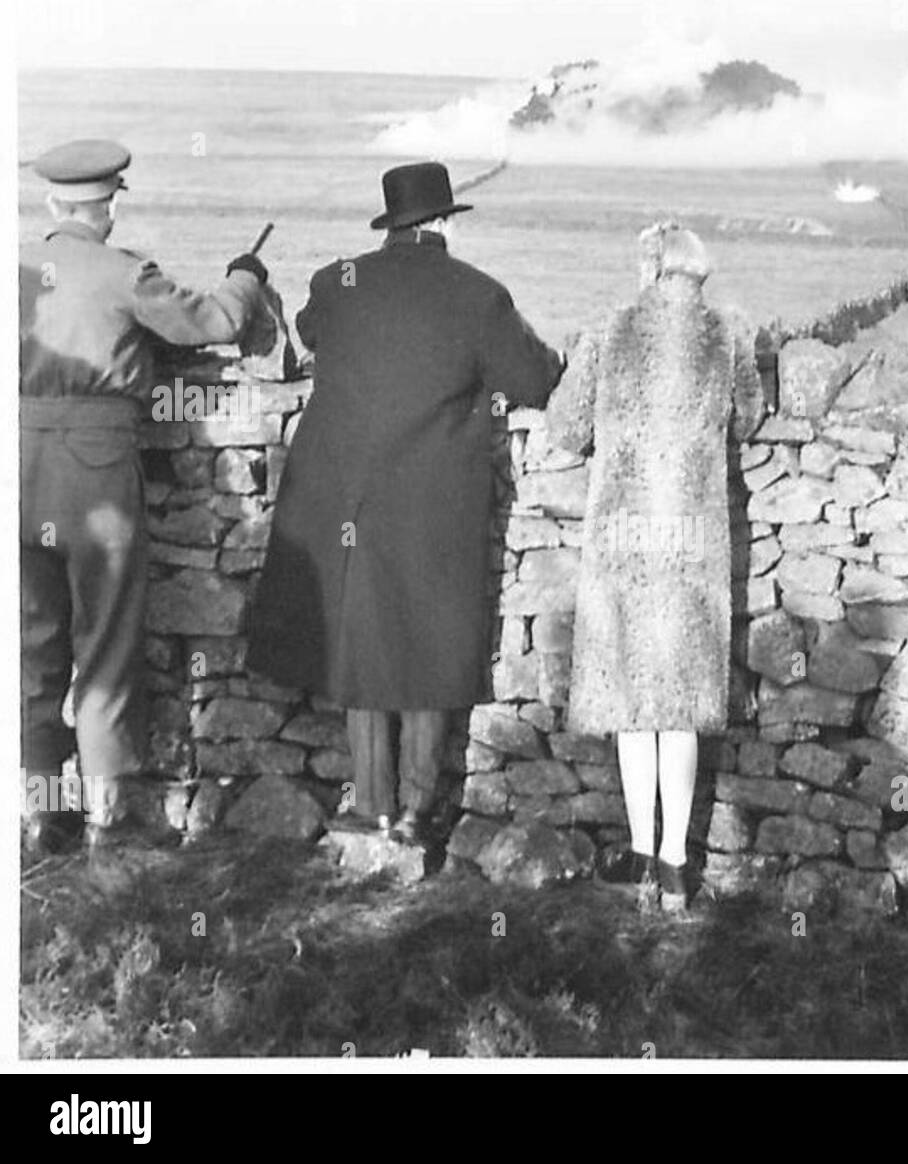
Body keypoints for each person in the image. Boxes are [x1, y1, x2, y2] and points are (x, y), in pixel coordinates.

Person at [247, 162, 565, 844]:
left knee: (363, 642)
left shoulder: (340, 282)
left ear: (393, 224)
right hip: (433, 499)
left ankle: (372, 804)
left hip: (344, 492)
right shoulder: (479, 296)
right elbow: (533, 380)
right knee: (427, 644)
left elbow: (309, 331)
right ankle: (419, 813)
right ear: (445, 223)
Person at [20, 139, 267, 855]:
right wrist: (244, 278)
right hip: (95, 472)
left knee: (35, 651)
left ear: (52, 205)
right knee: (104, 645)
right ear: (111, 206)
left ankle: (40, 815)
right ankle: (104, 820)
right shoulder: (125, 273)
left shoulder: (20, 271)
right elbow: (215, 323)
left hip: (22, 465)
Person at [547, 222, 766, 913]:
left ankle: (641, 853)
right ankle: (674, 868)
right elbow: (752, 418)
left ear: (647, 269)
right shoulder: (726, 334)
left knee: (631, 701)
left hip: (623, 539)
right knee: (681, 705)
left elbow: (563, 427)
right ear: (698, 274)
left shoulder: (607, 333)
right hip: (692, 543)